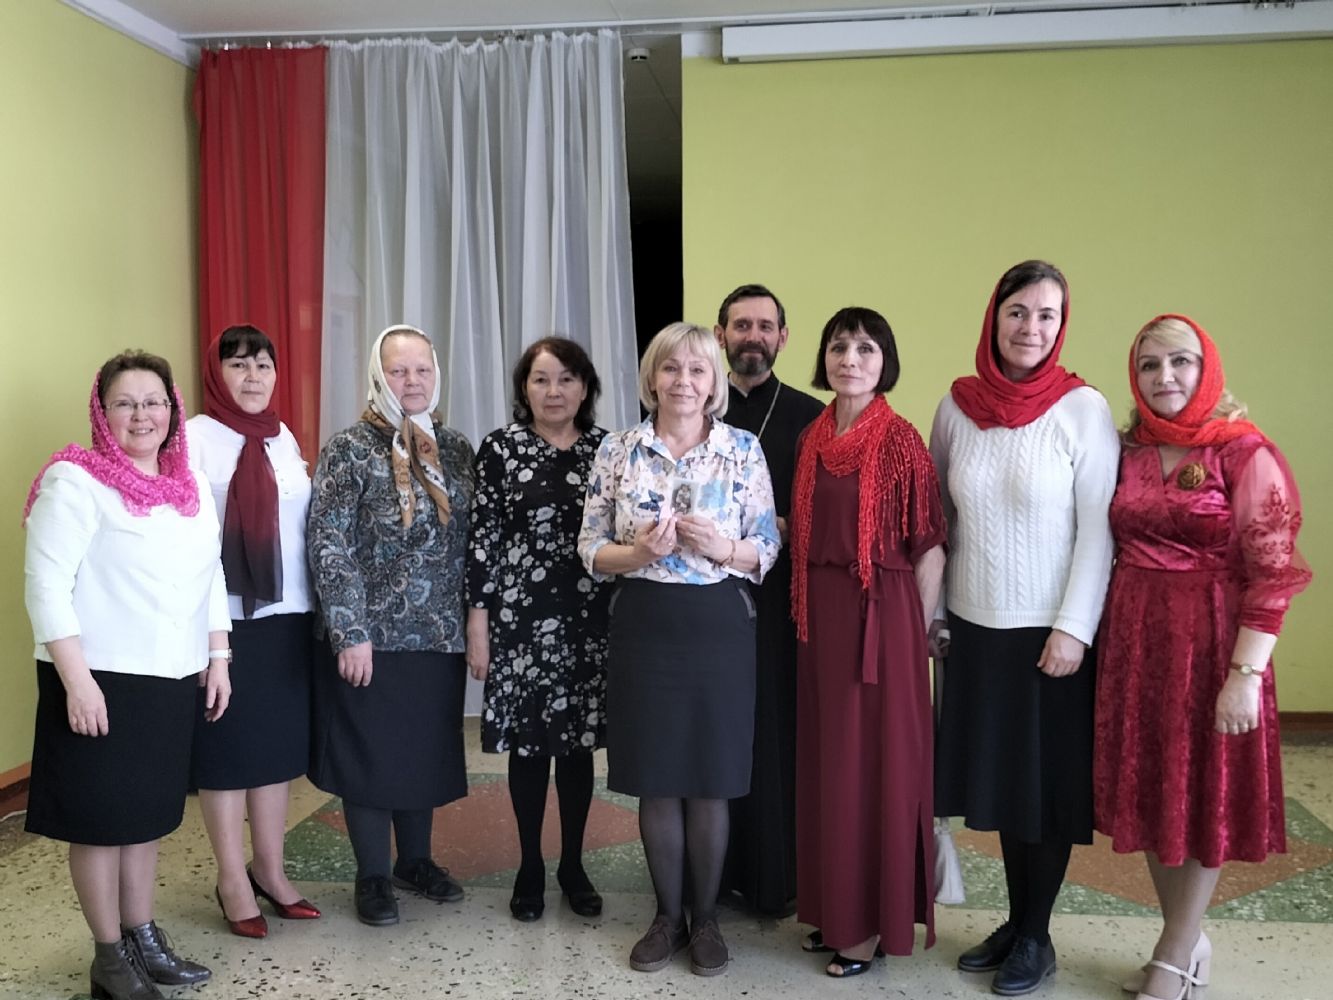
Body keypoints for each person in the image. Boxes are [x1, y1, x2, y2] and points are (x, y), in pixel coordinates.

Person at [1094, 315, 1310, 1000]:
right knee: (1155, 795)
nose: (1164, 376)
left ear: (1207, 368)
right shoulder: (1127, 449)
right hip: (1135, 641)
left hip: (1214, 645)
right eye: (1149, 364)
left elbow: (1273, 574)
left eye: (1180, 361)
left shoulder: (1243, 452)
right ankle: (1186, 941)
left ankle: (1173, 952)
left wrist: (1244, 675)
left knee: (1203, 796)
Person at [931, 260, 1119, 996]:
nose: (1030, 327)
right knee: (1007, 787)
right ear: (993, 316)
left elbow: (1097, 532)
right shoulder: (956, 407)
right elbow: (941, 523)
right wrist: (938, 614)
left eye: (1046, 315)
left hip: (1050, 636)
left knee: (1044, 793)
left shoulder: (1082, 409)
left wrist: (1074, 629)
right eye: (1017, 311)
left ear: (1061, 326)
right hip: (976, 630)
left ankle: (1037, 936)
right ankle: (1017, 921)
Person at [23, 350, 230, 1000]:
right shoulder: (74, 480)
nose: (143, 415)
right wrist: (77, 682)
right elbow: (45, 586)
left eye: (154, 402)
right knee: (100, 821)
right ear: (102, 411)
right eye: (125, 403)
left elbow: (211, 575)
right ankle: (109, 957)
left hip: (168, 679)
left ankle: (143, 938)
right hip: (98, 680)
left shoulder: (190, 487)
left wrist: (218, 656)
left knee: (146, 818)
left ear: (173, 410)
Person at [577, 322, 779, 977]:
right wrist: (638, 553)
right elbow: (590, 549)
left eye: (696, 370)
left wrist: (722, 547)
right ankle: (666, 918)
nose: (683, 381)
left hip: (717, 625)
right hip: (645, 623)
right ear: (652, 378)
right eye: (671, 369)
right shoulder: (618, 449)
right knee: (658, 778)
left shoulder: (742, 449)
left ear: (713, 381)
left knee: (711, 779)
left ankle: (707, 919)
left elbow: (766, 547)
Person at [791, 307, 946, 978]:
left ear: (885, 361)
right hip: (818, 616)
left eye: (864, 348)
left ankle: (867, 927)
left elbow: (930, 545)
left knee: (870, 771)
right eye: (838, 346)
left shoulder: (901, 440)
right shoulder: (813, 437)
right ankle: (832, 910)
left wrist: (915, 631)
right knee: (829, 767)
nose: (849, 359)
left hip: (883, 618)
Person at [307, 324, 474, 928]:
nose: (412, 381)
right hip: (371, 637)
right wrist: (349, 630)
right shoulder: (349, 447)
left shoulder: (455, 448)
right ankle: (373, 874)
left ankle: (415, 862)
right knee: (370, 757)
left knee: (421, 752)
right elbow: (327, 541)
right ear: (379, 377)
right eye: (399, 371)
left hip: (438, 634)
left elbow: (471, 541)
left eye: (422, 369)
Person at [466, 336, 609, 923]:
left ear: (586, 387)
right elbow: (482, 540)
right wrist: (478, 624)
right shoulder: (500, 448)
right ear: (524, 388)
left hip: (589, 619)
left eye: (567, 379)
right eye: (541, 379)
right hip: (518, 620)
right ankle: (529, 865)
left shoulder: (607, 449)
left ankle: (572, 864)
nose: (554, 391)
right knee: (527, 746)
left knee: (576, 747)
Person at [188, 325, 320, 938]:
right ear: (217, 374)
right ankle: (231, 878)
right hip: (222, 623)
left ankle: (269, 868)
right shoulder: (193, 438)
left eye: (263, 365)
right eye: (238, 365)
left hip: (286, 614)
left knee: (274, 749)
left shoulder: (282, 436)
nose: (252, 377)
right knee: (226, 752)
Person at [713, 283, 824, 917]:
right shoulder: (696, 406)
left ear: (782, 338)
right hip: (708, 600)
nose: (752, 336)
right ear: (721, 334)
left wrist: (784, 528)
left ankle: (775, 877)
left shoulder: (811, 418)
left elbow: (829, 516)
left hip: (781, 602)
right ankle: (712, 872)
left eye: (764, 326)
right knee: (718, 734)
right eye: (740, 325)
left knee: (774, 733)